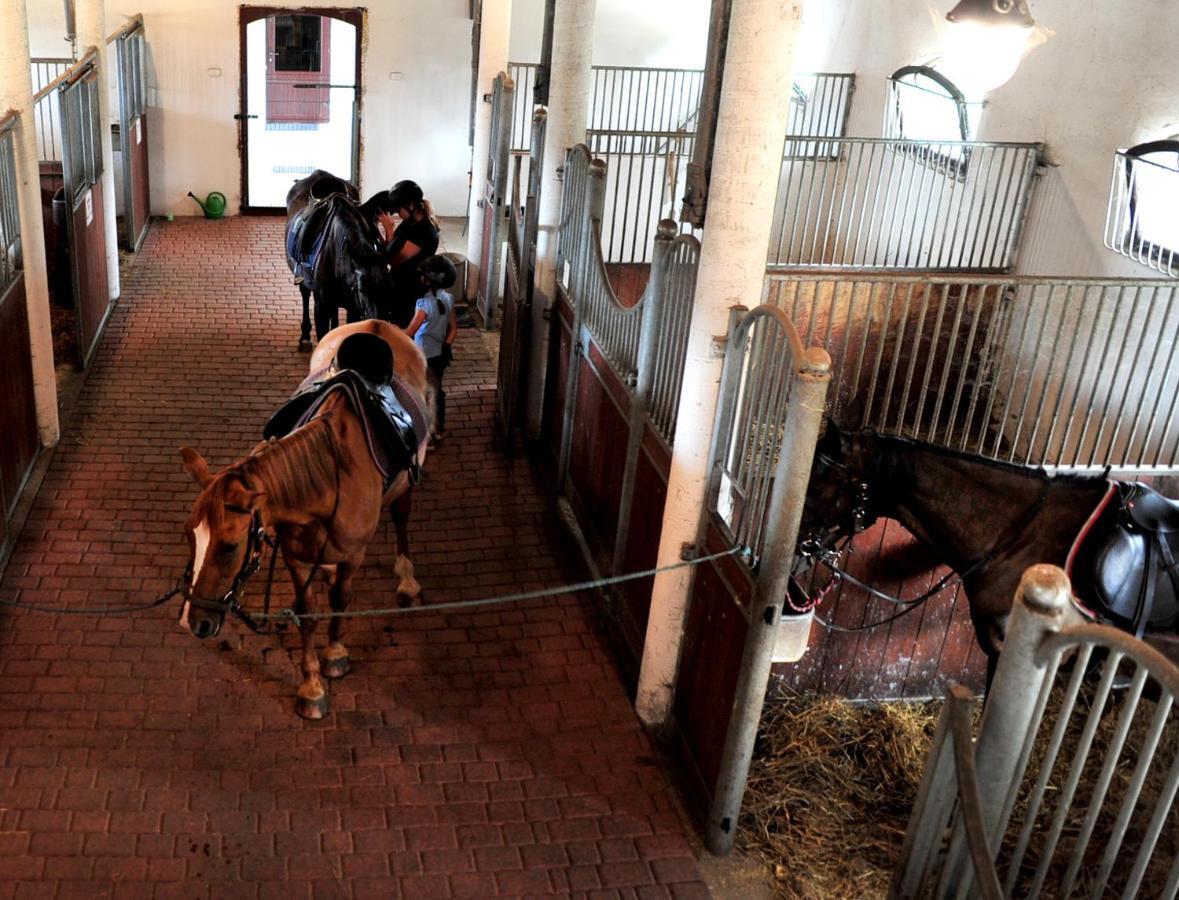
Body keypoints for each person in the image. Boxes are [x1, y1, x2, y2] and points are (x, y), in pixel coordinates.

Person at [405, 255, 458, 446]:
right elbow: (453, 328)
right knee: (437, 389)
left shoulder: (423, 305)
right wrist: (446, 346)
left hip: (423, 356)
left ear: (427, 281)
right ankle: (439, 428)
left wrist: (391, 329)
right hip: (440, 355)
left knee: (427, 392)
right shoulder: (449, 299)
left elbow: (410, 331)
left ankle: (432, 434)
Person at [377, 180, 440, 328]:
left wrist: (389, 228)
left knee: (403, 329)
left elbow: (394, 260)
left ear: (411, 206)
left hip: (411, 290)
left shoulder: (425, 232)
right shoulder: (409, 224)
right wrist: (380, 235)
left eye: (399, 209)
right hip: (399, 284)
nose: (398, 214)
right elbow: (391, 247)